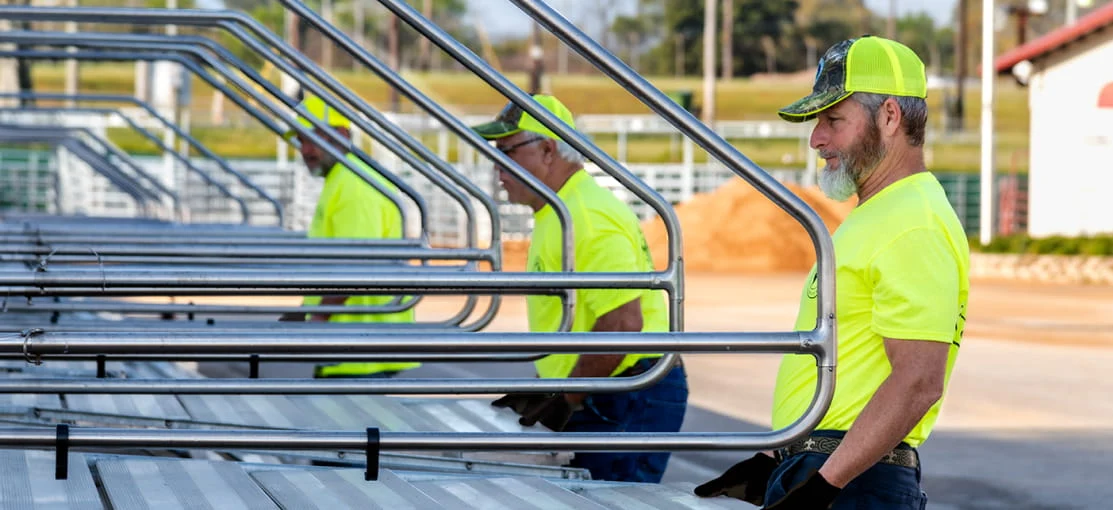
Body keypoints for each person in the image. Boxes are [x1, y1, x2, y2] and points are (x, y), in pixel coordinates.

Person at [694, 36, 970, 509]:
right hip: (831, 470)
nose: (816, 139)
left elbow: (919, 381)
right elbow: (850, 366)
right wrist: (774, 455)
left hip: (854, 481)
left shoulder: (912, 222)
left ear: (889, 116)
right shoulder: (879, 214)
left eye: (833, 120)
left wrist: (824, 487)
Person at [472, 94, 690, 484]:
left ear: (548, 150)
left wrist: (565, 397)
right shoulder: (559, 211)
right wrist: (551, 388)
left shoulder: (585, 217)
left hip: (624, 392)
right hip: (606, 387)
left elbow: (622, 324)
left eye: (506, 152)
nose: (497, 166)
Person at [278, 94, 420, 379]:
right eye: (301, 141)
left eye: (311, 139)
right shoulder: (343, 179)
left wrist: (317, 318)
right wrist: (306, 312)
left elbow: (354, 266)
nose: (305, 150)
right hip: (354, 346)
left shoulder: (354, 186)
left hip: (359, 351)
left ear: (341, 135)